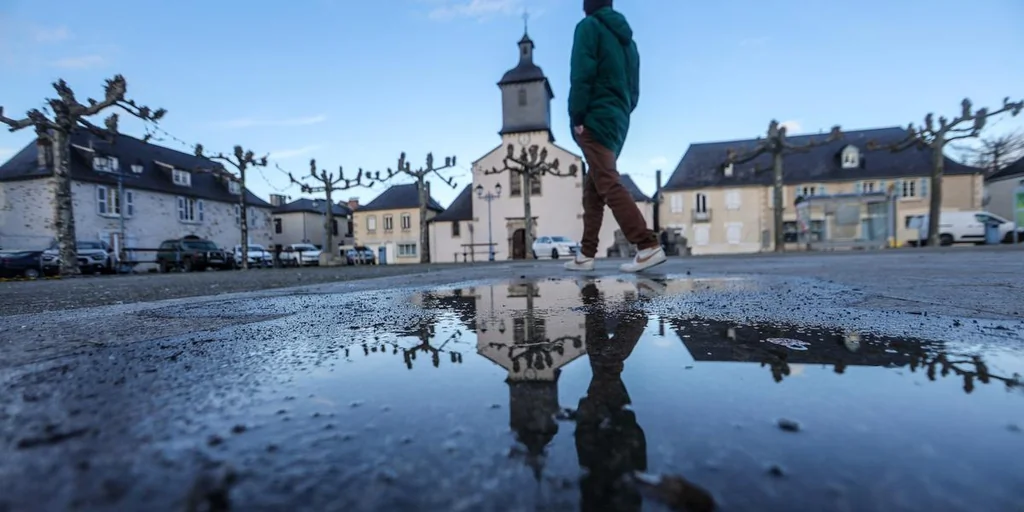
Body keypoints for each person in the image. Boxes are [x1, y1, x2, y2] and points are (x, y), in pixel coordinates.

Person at [565, 0, 665, 273]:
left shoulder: (589, 27)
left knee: (606, 181)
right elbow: (634, 91)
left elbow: (581, 72)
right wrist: (621, 111)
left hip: (594, 116)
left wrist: (577, 115)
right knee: (594, 186)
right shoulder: (628, 43)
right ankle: (586, 254)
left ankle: (647, 245)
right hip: (618, 120)